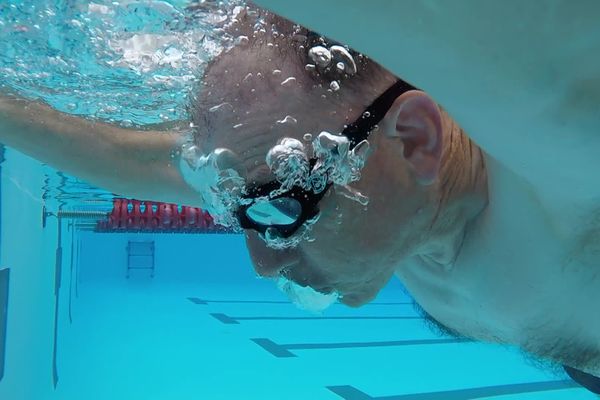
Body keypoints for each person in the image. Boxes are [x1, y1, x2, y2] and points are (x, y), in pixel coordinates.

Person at [1, 3, 599, 386]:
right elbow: (122, 156)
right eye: (239, 214)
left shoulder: (571, 179)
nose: (261, 265)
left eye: (282, 208)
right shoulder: (402, 209)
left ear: (416, 140)